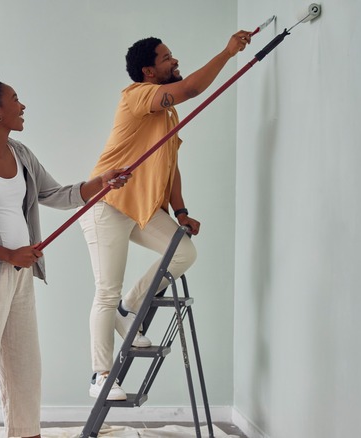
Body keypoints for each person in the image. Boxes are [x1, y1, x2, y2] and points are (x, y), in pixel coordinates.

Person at [0, 64, 130, 438]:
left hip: (21, 278)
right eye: (15, 100)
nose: (22, 105)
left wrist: (100, 183)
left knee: (25, 370)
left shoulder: (21, 154)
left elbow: (54, 194)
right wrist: (8, 254)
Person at [79, 31, 252, 401]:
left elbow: (171, 165)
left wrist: (182, 211)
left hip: (140, 208)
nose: (174, 61)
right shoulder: (137, 96)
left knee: (184, 252)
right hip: (108, 205)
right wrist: (227, 52)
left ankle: (130, 309)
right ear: (149, 71)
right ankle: (100, 376)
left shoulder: (167, 114)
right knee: (105, 290)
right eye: (166, 58)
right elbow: (191, 89)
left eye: (172, 55)